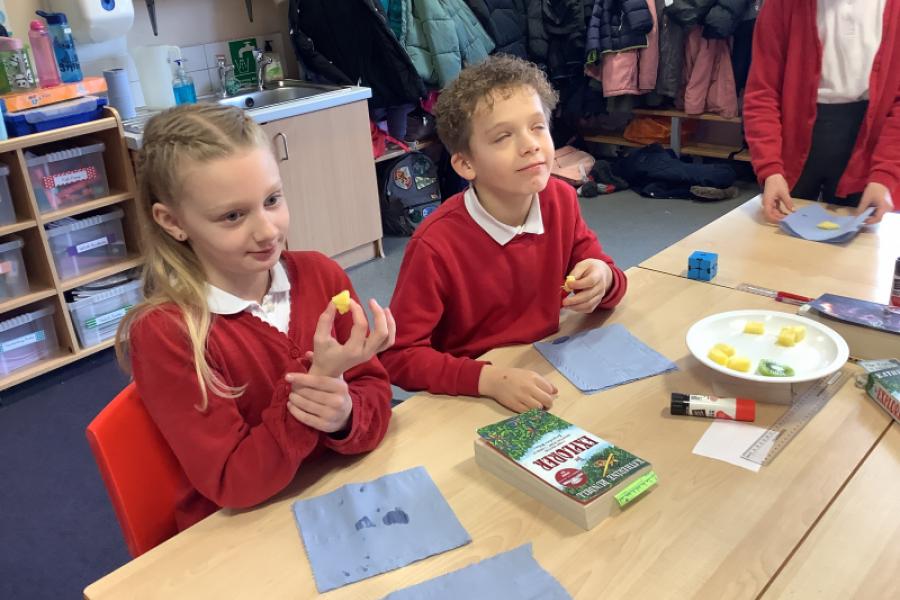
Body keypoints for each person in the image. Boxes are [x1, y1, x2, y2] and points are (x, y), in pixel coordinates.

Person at [114, 104, 395, 531]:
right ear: (173, 222)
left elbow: (374, 391)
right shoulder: (168, 333)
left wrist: (345, 416)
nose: (267, 231)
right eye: (233, 216)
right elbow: (233, 482)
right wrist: (317, 384)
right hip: (244, 528)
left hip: (337, 495)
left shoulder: (321, 276)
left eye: (272, 200)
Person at [379, 55, 627, 414]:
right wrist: (487, 380)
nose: (530, 145)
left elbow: (610, 277)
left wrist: (603, 279)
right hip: (474, 398)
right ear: (466, 164)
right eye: (503, 137)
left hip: (545, 374)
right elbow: (398, 356)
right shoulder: (435, 244)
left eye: (537, 126)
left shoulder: (560, 200)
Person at [744, 0, 900, 224]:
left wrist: (885, 174)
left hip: (869, 144)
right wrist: (769, 168)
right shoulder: (783, 5)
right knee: (780, 234)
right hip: (794, 142)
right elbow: (762, 92)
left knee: (861, 239)